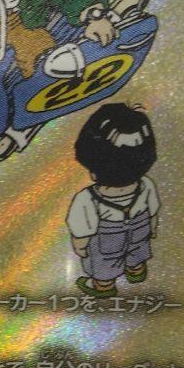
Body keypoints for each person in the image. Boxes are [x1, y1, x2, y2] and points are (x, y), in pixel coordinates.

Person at [67, 103, 161, 297]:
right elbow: (152, 211)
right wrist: (152, 228)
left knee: (104, 265)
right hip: (139, 233)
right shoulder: (146, 185)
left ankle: (104, 287)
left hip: (107, 243)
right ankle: (136, 272)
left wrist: (80, 246)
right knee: (137, 252)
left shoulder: (87, 199)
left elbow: (81, 230)